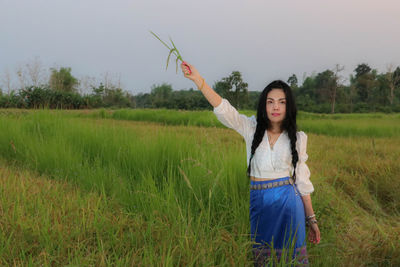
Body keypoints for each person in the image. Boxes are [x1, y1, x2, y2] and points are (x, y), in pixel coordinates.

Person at [180, 61, 320, 266]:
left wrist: (312, 220)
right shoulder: (251, 128)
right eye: (271, 101)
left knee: (291, 260)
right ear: (264, 104)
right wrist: (198, 80)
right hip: (260, 202)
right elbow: (224, 109)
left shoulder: (298, 138)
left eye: (281, 102)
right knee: (263, 258)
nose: (275, 107)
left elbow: (302, 182)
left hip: (289, 205)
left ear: (288, 106)